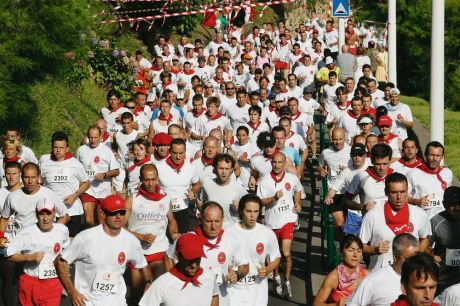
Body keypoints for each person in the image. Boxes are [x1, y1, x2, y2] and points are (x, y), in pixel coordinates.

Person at [55, 194, 153, 306]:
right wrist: (72, 292)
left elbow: (143, 265)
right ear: (102, 213)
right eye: (113, 212)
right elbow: (60, 261)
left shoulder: (131, 240)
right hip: (89, 302)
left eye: (122, 213)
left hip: (117, 302)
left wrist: (149, 283)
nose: (118, 216)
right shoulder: (85, 238)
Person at [165, 202, 249, 306]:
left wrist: (237, 274)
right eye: (209, 221)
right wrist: (174, 284)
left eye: (217, 221)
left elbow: (245, 266)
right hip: (192, 299)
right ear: (200, 219)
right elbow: (168, 257)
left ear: (223, 220)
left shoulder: (231, 239)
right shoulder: (187, 239)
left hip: (221, 299)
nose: (213, 226)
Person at [125, 164, 180, 304]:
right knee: (137, 297)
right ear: (140, 179)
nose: (150, 183)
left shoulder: (165, 198)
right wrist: (140, 236)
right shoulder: (133, 199)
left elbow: (172, 220)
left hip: (159, 250)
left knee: (158, 294)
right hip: (137, 253)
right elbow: (120, 226)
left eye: (153, 179)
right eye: (146, 180)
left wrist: (174, 234)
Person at [359, 172, 431, 271]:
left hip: (409, 274)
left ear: (407, 191)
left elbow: (425, 238)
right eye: (394, 192)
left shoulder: (419, 214)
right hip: (380, 274)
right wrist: (374, 250)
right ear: (386, 192)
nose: (399, 197)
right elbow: (360, 246)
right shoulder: (372, 216)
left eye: (402, 192)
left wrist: (416, 256)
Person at [6, 199, 70, 306]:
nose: (45, 219)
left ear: (54, 213)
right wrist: (29, 257)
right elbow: (8, 255)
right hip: (30, 282)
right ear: (36, 214)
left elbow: (66, 250)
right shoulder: (26, 233)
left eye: (48, 214)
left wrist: (64, 275)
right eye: (42, 214)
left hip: (52, 283)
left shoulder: (62, 230)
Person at [257, 152, 302, 298]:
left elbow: (298, 190)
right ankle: (276, 277)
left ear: (284, 163)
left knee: (286, 252)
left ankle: (287, 281)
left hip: (288, 219)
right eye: (274, 162)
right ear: (271, 163)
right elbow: (259, 202)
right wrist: (273, 198)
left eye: (280, 162)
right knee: (274, 255)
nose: (277, 165)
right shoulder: (264, 181)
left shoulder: (292, 178)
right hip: (271, 222)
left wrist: (298, 204)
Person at [226, 194, 281, 306]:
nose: (252, 215)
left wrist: (267, 269)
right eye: (249, 211)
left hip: (258, 290)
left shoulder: (267, 233)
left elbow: (276, 257)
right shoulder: (227, 233)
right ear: (241, 211)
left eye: (256, 211)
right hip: (234, 289)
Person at [139, 233, 219, 306]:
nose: (194, 265)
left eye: (197, 259)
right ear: (177, 256)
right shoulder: (162, 284)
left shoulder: (210, 277)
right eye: (189, 259)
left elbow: (214, 298)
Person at [39, 131, 90, 237]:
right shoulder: (44, 162)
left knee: (72, 244)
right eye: (55, 147)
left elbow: (86, 183)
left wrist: (75, 196)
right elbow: (40, 184)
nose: (58, 150)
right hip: (52, 212)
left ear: (67, 148)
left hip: (73, 211)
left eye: (61, 148)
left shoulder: (75, 163)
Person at [347, 233, 420, 306]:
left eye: (417, 258)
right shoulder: (374, 280)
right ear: (395, 257)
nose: (414, 262)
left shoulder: (425, 278)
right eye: (409, 259)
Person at [1, 163, 69, 238]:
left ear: (38, 177)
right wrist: (1, 236)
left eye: (33, 177)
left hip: (45, 242)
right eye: (26, 177)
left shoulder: (48, 194)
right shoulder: (13, 196)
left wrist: (53, 232)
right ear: (22, 177)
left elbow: (65, 216)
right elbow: (4, 218)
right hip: (22, 242)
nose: (30, 181)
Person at [76, 125, 120, 226]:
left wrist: (104, 175)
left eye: (95, 137)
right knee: (89, 220)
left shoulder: (106, 151)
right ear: (87, 137)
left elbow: (116, 171)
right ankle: (91, 239)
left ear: (100, 137)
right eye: (90, 137)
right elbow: (76, 169)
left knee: (102, 223)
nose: (93, 140)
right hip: (87, 190)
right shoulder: (81, 150)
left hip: (103, 191)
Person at [156, 138, 200, 233]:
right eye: (175, 153)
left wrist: (193, 192)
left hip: (183, 210)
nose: (178, 157)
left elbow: (197, 184)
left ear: (185, 152)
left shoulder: (191, 167)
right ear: (169, 151)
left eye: (181, 153)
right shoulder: (158, 167)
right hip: (163, 210)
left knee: (182, 239)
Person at [324, 143, 367, 233]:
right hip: (354, 212)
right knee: (353, 243)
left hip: (370, 211)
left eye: (360, 155)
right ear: (351, 155)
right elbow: (334, 189)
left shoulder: (371, 167)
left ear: (365, 155)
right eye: (355, 155)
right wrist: (328, 197)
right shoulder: (346, 172)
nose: (357, 157)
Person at [313, 235, 367, 306]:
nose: (355, 254)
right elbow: (316, 304)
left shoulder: (367, 275)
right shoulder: (334, 277)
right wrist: (336, 305)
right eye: (351, 250)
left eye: (359, 251)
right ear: (341, 252)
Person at [407, 141, 453, 219]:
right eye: (432, 155)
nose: (434, 159)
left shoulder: (447, 173)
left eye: (438, 155)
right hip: (422, 218)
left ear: (442, 157)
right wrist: (416, 201)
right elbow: (403, 197)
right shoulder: (413, 174)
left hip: (443, 219)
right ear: (426, 154)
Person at [200, 154, 247, 227]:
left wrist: (241, 207)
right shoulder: (206, 186)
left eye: (227, 168)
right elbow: (200, 201)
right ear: (215, 169)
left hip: (232, 230)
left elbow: (250, 208)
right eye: (221, 168)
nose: (224, 172)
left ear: (231, 170)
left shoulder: (238, 188)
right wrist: (204, 216)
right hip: (213, 228)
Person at [429, 186, 460, 295]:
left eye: (459, 203)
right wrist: (431, 256)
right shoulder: (435, 221)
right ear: (444, 204)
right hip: (443, 280)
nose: (457, 208)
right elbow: (424, 247)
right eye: (452, 204)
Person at [0, 161, 22, 306]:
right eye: (8, 173)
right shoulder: (1, 193)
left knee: (23, 279)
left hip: (24, 243)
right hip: (5, 241)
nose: (11, 177)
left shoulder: (29, 191)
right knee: (7, 279)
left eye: (14, 174)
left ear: (20, 174)